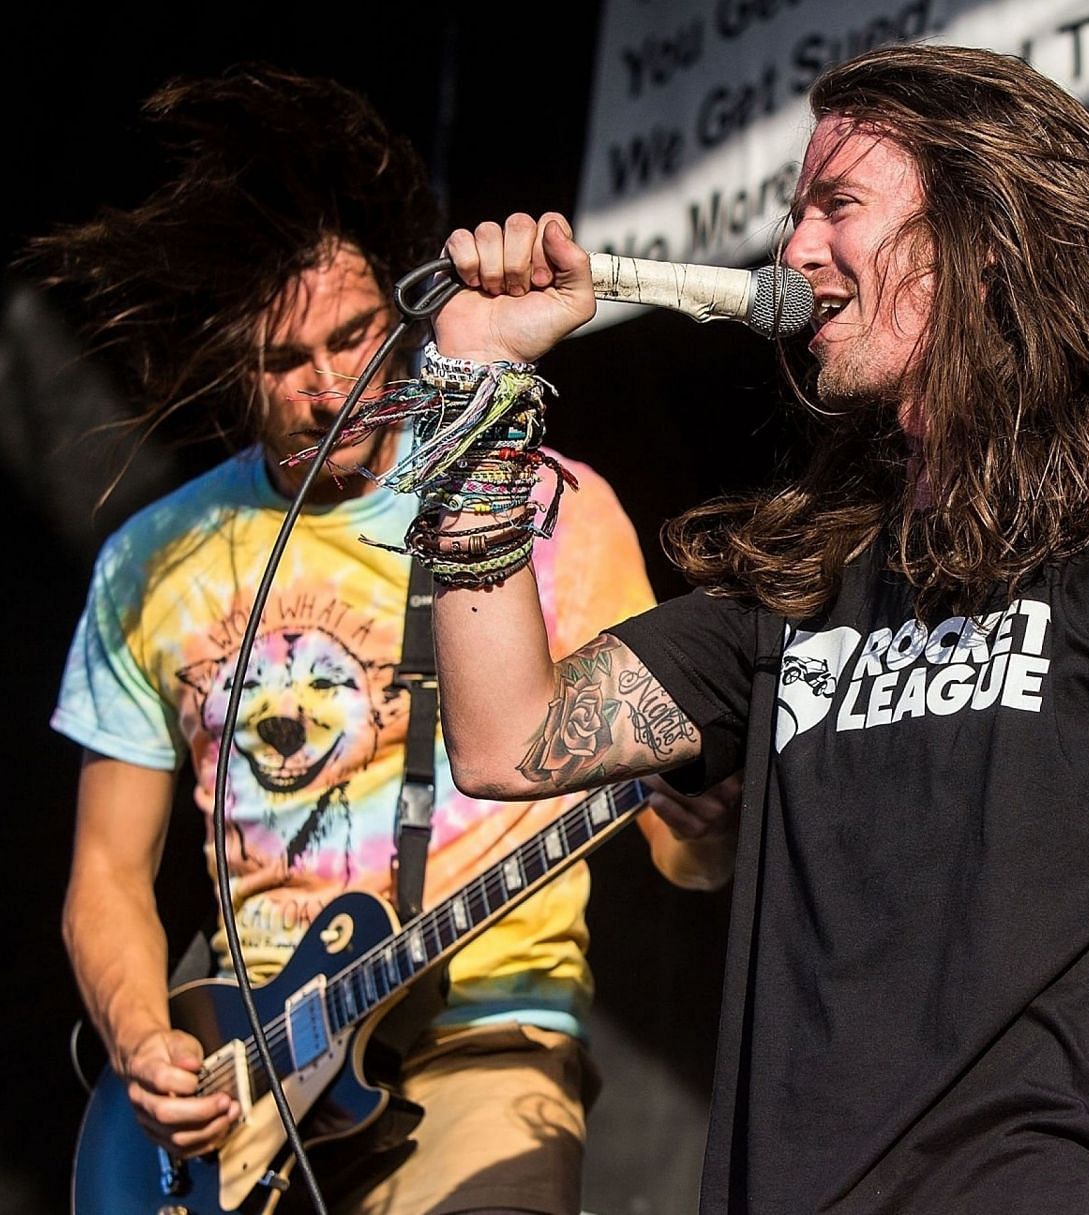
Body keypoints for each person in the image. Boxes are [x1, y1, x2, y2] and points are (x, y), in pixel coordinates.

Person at [414, 44, 1089, 1213]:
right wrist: (475, 386)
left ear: (979, 236)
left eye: (839, 205)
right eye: (794, 214)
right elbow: (507, 735)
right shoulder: (804, 578)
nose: (796, 251)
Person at [38, 64, 738, 1215]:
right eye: (284, 362)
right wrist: (141, 1041)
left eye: (357, 337)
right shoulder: (154, 561)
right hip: (241, 1070)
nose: (329, 389)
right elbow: (106, 873)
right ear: (234, 368)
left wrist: (702, 821)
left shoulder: (549, 507)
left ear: (401, 313)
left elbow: (680, 839)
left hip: (486, 1023)